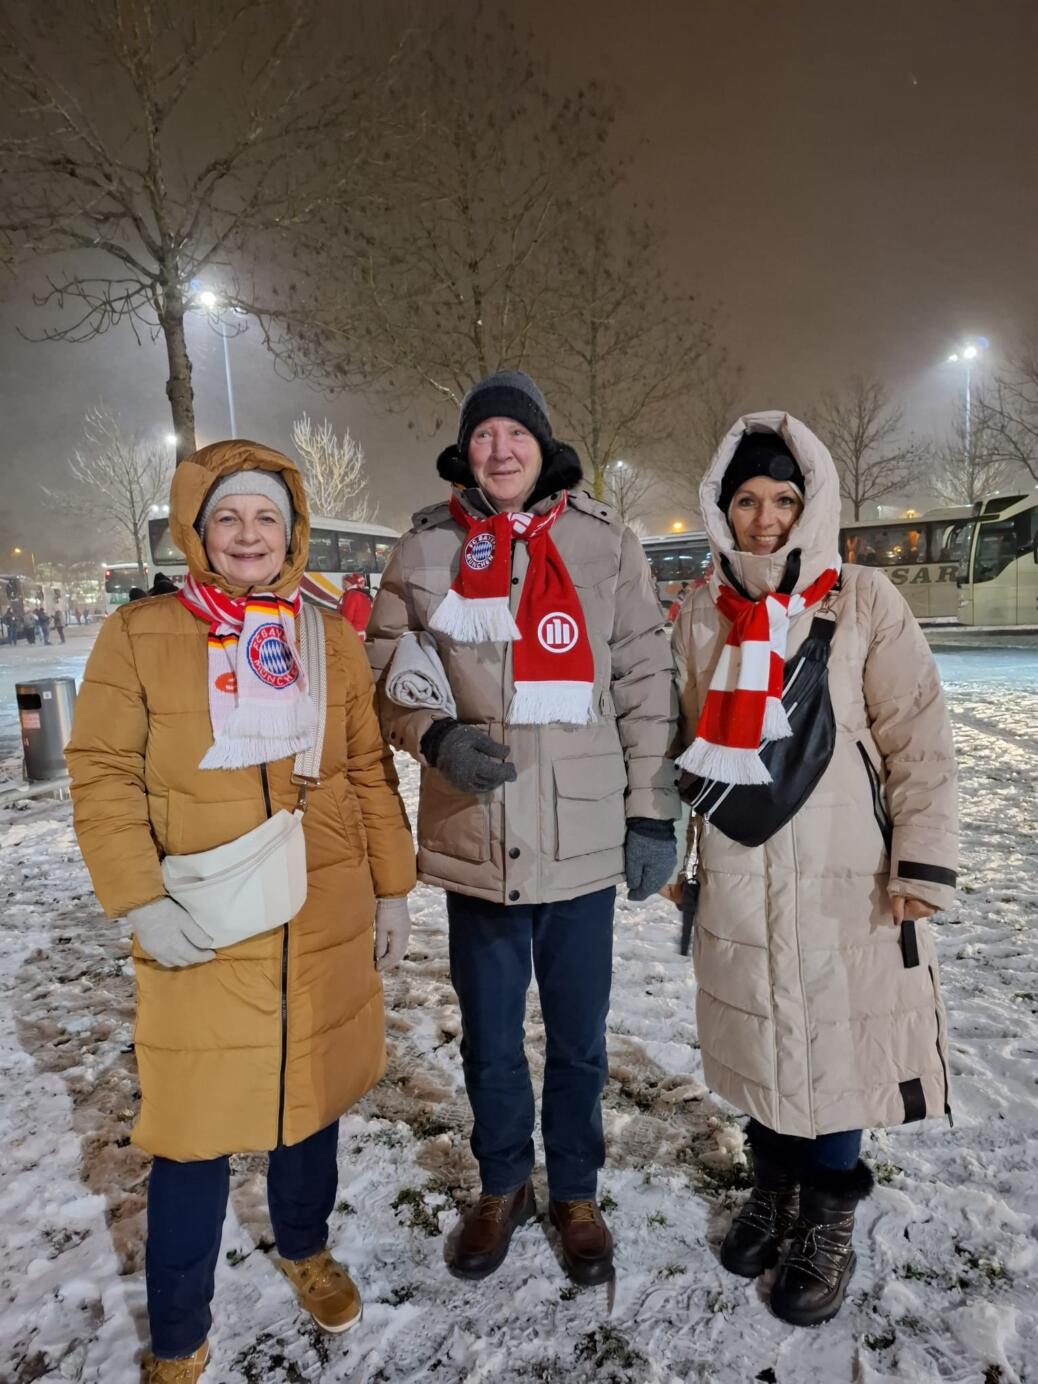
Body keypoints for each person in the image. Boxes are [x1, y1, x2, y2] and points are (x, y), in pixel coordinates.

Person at [67, 440, 416, 1383]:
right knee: (192, 1127)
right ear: (198, 531)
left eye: (266, 516)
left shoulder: (326, 635)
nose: (248, 533)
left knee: (310, 1103)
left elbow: (365, 768)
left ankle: (304, 1247)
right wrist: (138, 898)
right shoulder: (138, 636)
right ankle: (179, 1330)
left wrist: (393, 885)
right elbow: (101, 775)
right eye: (228, 517)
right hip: (205, 915)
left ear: (291, 530)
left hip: (323, 907)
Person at [367, 370, 678, 1287]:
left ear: (544, 447)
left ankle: (575, 1189)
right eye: (483, 435)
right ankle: (504, 1182)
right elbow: (385, 663)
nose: (499, 450)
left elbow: (644, 680)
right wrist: (435, 736)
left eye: (516, 434)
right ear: (466, 451)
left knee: (579, 1038)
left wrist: (650, 814)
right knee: (492, 1037)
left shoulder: (605, 543)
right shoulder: (424, 549)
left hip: (579, 843)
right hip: (478, 836)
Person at [671, 415, 958, 1327]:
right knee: (762, 1037)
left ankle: (828, 1212)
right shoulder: (698, 611)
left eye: (783, 500)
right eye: (747, 500)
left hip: (848, 875)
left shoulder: (864, 599)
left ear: (812, 505)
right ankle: (775, 1188)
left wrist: (921, 862)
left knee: (835, 1047)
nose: (765, 518)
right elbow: (688, 742)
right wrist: (681, 855)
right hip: (741, 866)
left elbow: (917, 735)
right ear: (723, 510)